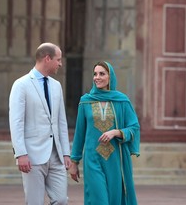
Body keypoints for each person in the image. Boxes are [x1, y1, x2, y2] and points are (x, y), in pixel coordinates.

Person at [69, 61, 140, 205]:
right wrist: (74, 162)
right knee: (98, 199)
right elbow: (80, 133)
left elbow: (134, 127)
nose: (97, 77)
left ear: (110, 77)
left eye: (102, 74)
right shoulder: (86, 101)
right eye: (95, 74)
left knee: (114, 199)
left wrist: (116, 132)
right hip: (92, 159)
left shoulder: (121, 101)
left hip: (115, 159)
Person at [9, 42, 71, 205]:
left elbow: (61, 122)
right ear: (47, 59)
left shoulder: (57, 86)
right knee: (35, 202)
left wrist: (66, 152)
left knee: (61, 200)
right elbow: (16, 122)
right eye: (58, 59)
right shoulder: (21, 85)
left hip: (56, 154)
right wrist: (20, 153)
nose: (60, 63)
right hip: (32, 155)